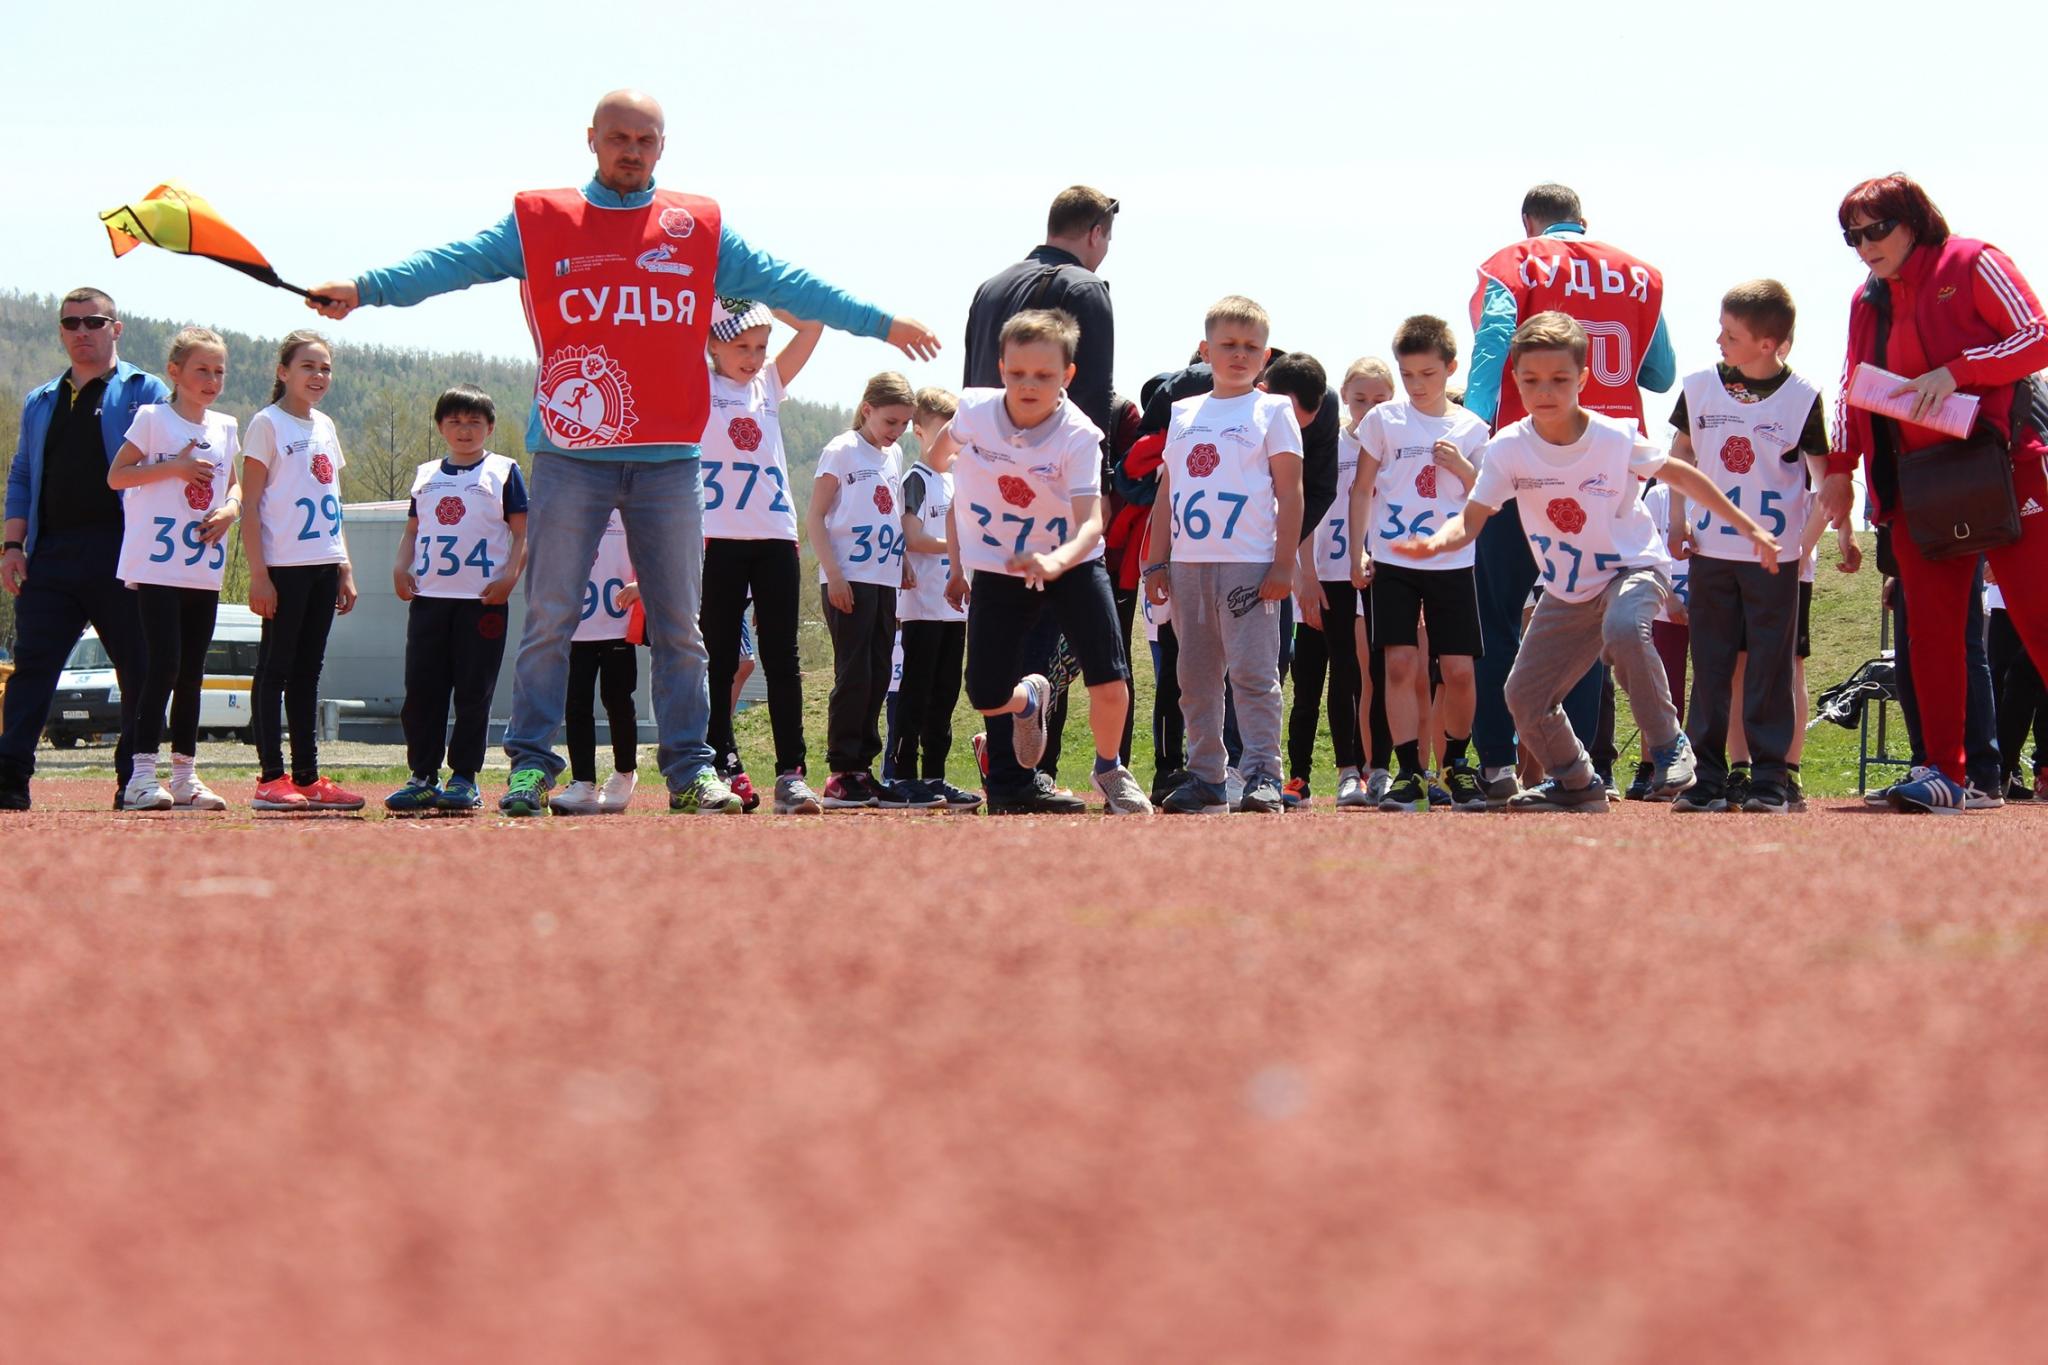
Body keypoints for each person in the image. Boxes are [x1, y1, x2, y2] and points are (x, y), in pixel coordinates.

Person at [305, 88, 940, 816]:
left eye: (645, 138)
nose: (631, 149)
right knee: (550, 618)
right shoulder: (541, 220)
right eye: (618, 137)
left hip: (670, 459)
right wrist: (364, 288)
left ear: (662, 148)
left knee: (681, 625)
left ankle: (691, 769)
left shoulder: (696, 226)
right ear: (592, 139)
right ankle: (531, 766)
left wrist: (882, 322)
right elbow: (453, 262)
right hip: (573, 455)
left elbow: (789, 282)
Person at [1393, 312, 1777, 812]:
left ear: (1583, 379)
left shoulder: (1613, 437)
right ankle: (1575, 780)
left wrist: (1746, 525)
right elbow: (1470, 519)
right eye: (1531, 380)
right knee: (1524, 697)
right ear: (1515, 381)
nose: (1544, 391)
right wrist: (1433, 544)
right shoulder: (1508, 447)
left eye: (1558, 379)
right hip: (1568, 590)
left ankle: (1668, 744)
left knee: (1623, 627)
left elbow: (1682, 474)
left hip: (1631, 570)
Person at [1828, 172, 2048, 814]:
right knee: (1930, 634)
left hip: (2003, 471)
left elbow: (2037, 336)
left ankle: (1968, 771)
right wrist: (1839, 471)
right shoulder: (1865, 301)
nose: (1865, 244)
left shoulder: (1973, 260)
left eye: (1876, 229)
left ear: (1915, 220)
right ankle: (1946, 772)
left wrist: (1958, 372)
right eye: (1852, 236)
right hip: (1918, 488)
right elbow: (1851, 386)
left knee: (2037, 617)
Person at [1464, 184, 1676, 804]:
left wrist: (1476, 432)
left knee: (1496, 619)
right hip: (1610, 458)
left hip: (1528, 457)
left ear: (1529, 223)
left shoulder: (1513, 262)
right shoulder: (1638, 273)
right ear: (1584, 221)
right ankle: (1586, 767)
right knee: (1586, 607)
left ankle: (1500, 764)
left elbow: (1493, 344)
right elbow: (1658, 374)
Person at [930, 310, 1149, 815]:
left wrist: (1056, 562)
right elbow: (940, 454)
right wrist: (949, 463)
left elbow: (1092, 522)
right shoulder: (974, 411)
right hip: (1002, 566)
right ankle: (1028, 701)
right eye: (1018, 373)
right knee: (984, 695)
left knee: (1110, 679)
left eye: (1044, 376)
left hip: (1071, 563)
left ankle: (1109, 767)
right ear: (1001, 366)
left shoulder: (1078, 435)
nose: (1029, 385)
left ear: (1067, 377)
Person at [1660, 281, 1829, 814]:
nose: (1718, 340)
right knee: (1709, 668)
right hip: (1711, 551)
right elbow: (1680, 455)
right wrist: (1678, 521)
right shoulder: (1699, 388)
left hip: (1773, 559)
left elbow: (1825, 486)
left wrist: (1799, 549)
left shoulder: (1803, 398)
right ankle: (1707, 778)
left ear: (1767, 343)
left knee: (1771, 671)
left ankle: (1771, 779)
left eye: (1730, 334)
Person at [0, 288, 165, 811]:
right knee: (32, 668)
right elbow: (23, 472)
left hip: (125, 552)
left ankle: (133, 781)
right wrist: (11, 543)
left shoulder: (147, 390)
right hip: (52, 555)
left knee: (139, 669)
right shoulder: (41, 400)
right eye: (70, 323)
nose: (81, 331)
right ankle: (9, 781)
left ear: (116, 328)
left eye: (93, 321)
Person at [1144, 296, 1304, 815]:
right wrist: (1155, 562)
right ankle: (1207, 774)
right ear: (1205, 349)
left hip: (1250, 564)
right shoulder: (1184, 412)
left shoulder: (1273, 409)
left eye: (1251, 347)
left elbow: (1292, 492)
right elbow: (1167, 493)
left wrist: (1283, 564)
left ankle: (1262, 774)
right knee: (1194, 676)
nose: (1239, 355)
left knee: (1254, 673)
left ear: (1266, 355)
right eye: (1228, 345)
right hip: (1190, 566)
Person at [1350, 316, 1491, 812]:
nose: (1416, 385)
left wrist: (1464, 467)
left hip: (1452, 560)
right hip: (1393, 559)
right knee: (1400, 663)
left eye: (1428, 375)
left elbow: (1488, 497)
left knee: (1457, 670)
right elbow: (1361, 487)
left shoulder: (1472, 426)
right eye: (1408, 375)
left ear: (1450, 368)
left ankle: (1456, 763)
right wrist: (1357, 551)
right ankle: (1409, 770)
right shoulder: (1383, 420)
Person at [107, 326, 240, 811]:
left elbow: (234, 486)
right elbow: (117, 476)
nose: (211, 379)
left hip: (202, 566)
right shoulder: (152, 419)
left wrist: (231, 510)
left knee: (192, 673)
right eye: (201, 370)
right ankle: (141, 776)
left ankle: (185, 775)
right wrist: (174, 469)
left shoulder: (225, 426)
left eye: (218, 371)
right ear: (175, 372)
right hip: (158, 565)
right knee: (161, 665)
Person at [697, 297, 821, 815]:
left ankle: (791, 774)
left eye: (760, 347)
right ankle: (722, 763)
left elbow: (812, 324)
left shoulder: (768, 384)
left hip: (774, 536)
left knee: (781, 657)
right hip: (717, 538)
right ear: (711, 345)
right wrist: (711, 300)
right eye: (740, 346)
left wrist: (758, 296)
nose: (752, 357)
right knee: (720, 659)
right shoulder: (697, 383)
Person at [385, 385, 528, 814]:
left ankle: (464, 776)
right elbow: (413, 531)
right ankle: (422, 776)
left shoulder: (502, 471)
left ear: (489, 427)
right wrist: (399, 566)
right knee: (422, 692)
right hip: (430, 600)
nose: (464, 430)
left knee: (473, 691)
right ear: (441, 427)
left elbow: (522, 531)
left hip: (481, 603)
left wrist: (509, 577)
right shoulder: (426, 474)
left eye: (474, 422)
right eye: (455, 421)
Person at [241, 331, 363, 812]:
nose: (318, 376)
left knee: (309, 673)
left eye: (326, 368)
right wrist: (258, 574)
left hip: (322, 566)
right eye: (308, 366)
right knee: (275, 669)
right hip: (284, 568)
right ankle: (271, 777)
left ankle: (308, 777)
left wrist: (344, 564)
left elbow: (333, 503)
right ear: (283, 372)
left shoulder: (325, 426)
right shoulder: (266, 425)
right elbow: (249, 506)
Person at [810, 373, 930, 809]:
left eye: (903, 424)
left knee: (880, 672)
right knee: (855, 673)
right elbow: (816, 518)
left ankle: (863, 769)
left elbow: (892, 515)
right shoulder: (840, 451)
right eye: (890, 421)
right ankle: (841, 771)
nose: (896, 431)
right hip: (849, 579)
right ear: (867, 409)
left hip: (883, 578)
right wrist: (834, 574)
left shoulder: (894, 453)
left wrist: (902, 561)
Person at [1295, 358, 1393, 809]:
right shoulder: (1328, 445)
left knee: (1383, 670)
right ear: (1345, 397)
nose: (1370, 408)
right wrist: (1307, 575)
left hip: (1384, 570)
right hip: (1333, 572)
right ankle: (1346, 770)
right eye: (1360, 399)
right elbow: (1308, 513)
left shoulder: (1399, 444)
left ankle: (1381, 770)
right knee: (1343, 673)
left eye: (1380, 400)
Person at [894, 387, 980, 810]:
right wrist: (958, 547)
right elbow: (913, 537)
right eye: (938, 427)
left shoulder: (957, 480)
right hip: (922, 606)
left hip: (954, 609)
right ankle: (904, 775)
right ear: (919, 430)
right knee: (917, 691)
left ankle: (935, 775)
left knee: (945, 694)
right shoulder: (916, 479)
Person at [553, 511, 645, 814]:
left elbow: (654, 547)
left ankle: (624, 772)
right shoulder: (573, 507)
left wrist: (640, 583)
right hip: (577, 625)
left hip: (617, 623)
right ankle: (583, 782)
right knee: (576, 702)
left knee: (617, 699)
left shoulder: (629, 509)